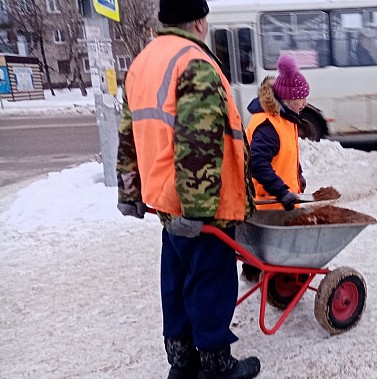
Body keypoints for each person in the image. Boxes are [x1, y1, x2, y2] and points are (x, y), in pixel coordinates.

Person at [115, 0, 261, 378]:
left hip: (166, 201)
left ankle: (181, 362)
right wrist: (198, 209)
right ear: (198, 21)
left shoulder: (143, 61)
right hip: (203, 205)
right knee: (211, 281)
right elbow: (198, 142)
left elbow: (128, 134)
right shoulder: (194, 62)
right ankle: (216, 364)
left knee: (176, 281)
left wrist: (129, 191)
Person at [240, 54, 310, 281]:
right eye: (302, 98)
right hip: (268, 205)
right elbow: (258, 165)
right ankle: (282, 278)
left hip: (277, 202)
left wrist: (298, 178)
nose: (305, 103)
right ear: (288, 99)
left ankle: (256, 267)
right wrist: (282, 192)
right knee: (283, 249)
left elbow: (285, 156)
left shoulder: (285, 119)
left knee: (268, 250)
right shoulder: (269, 126)